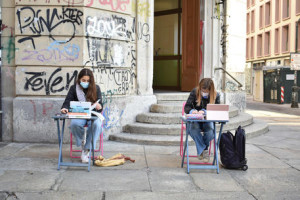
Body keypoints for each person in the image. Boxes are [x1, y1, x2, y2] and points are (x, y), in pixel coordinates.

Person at [61, 68, 103, 163]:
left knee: (96, 125)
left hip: (93, 115)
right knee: (74, 124)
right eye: (83, 80)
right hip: (80, 115)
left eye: (88, 81)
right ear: (79, 79)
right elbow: (67, 101)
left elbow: (101, 105)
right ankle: (82, 143)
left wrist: (99, 106)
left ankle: (87, 149)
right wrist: (65, 108)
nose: (85, 82)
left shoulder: (96, 88)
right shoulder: (74, 88)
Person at [184, 78, 220, 162]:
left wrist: (204, 112)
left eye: (206, 91)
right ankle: (204, 150)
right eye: (202, 90)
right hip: (195, 120)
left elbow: (217, 110)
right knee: (193, 129)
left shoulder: (216, 95)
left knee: (211, 131)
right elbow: (187, 107)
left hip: (207, 120)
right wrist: (193, 111)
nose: (204, 92)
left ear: (210, 91)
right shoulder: (195, 92)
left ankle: (201, 150)